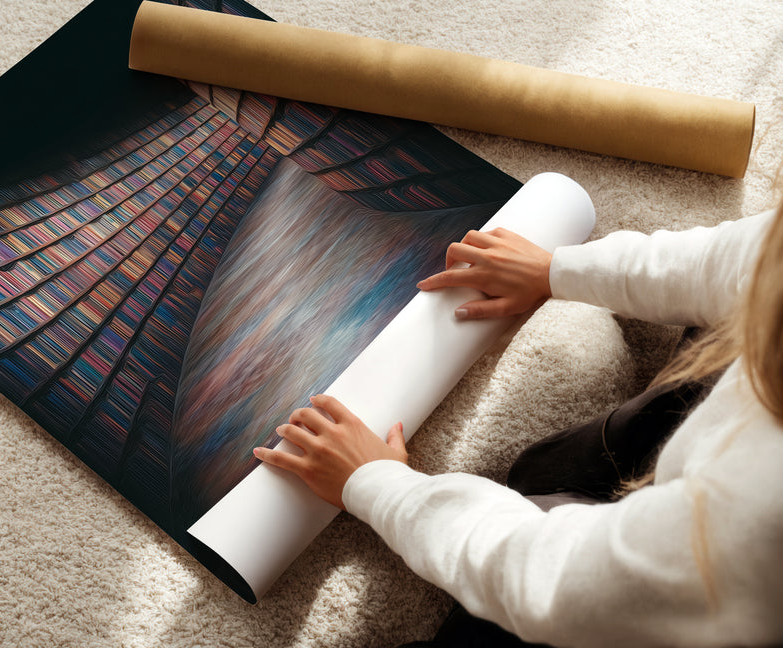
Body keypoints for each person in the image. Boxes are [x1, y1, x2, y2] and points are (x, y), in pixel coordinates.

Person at [254, 203, 783, 647]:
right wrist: (555, 270)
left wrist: (376, 484)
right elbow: (740, 258)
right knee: (546, 470)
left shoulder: (758, 517)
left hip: (705, 595)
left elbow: (554, 581)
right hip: (711, 483)